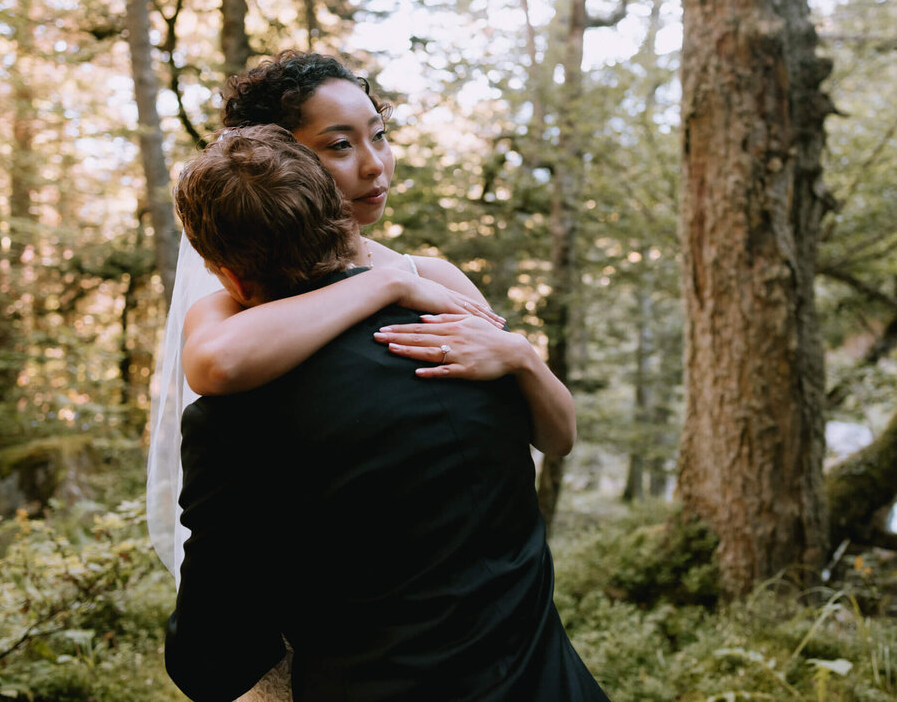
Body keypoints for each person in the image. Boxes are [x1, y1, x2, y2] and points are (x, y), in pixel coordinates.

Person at [165, 125, 608, 701]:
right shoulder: (470, 343)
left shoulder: (231, 423)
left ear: (228, 276)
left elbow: (212, 650)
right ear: (340, 220)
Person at [146, 51, 576, 579]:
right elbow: (215, 363)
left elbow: (558, 438)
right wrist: (386, 284)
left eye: (379, 135)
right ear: (277, 159)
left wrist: (521, 356)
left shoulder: (435, 278)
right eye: (341, 145)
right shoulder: (240, 297)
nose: (375, 165)